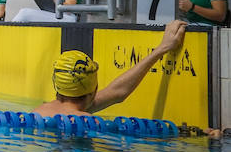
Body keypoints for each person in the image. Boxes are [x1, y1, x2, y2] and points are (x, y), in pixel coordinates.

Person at [32, 20, 187, 117]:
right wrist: (163, 48)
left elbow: (118, 92)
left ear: (57, 86)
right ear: (94, 89)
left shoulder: (37, 113)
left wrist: (162, 48)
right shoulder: (89, 122)